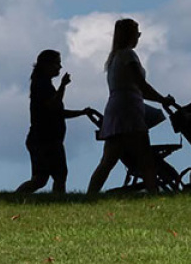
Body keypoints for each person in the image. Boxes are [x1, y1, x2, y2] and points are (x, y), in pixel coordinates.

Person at [87, 18, 175, 194]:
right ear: (131, 35)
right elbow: (141, 85)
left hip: (115, 108)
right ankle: (154, 195)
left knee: (108, 159)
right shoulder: (128, 55)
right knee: (146, 158)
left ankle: (90, 194)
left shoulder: (113, 59)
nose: (138, 37)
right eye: (137, 33)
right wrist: (162, 100)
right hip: (129, 109)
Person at [16, 49, 97, 194]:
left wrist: (82, 112)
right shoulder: (42, 85)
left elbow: (58, 112)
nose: (60, 67)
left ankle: (17, 197)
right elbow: (54, 106)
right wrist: (63, 86)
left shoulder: (42, 84)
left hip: (42, 139)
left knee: (41, 178)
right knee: (57, 176)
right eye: (57, 63)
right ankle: (57, 201)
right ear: (47, 65)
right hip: (45, 139)